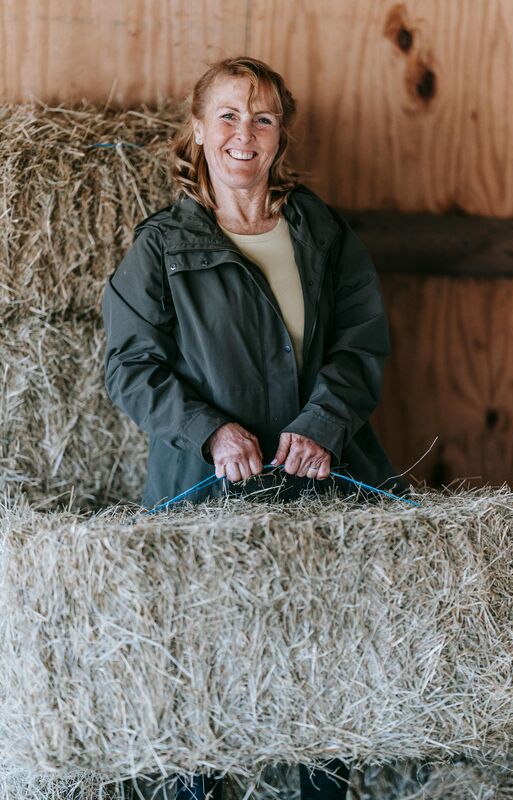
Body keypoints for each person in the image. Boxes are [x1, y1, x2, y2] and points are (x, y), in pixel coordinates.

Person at [102, 55, 409, 800]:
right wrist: (209, 431)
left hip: (320, 489)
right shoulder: (161, 248)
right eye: (230, 115)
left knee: (320, 672)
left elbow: (360, 343)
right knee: (197, 681)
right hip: (204, 499)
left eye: (264, 117)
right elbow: (128, 367)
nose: (247, 132)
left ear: (281, 136)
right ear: (200, 130)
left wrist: (323, 422)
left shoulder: (322, 232)